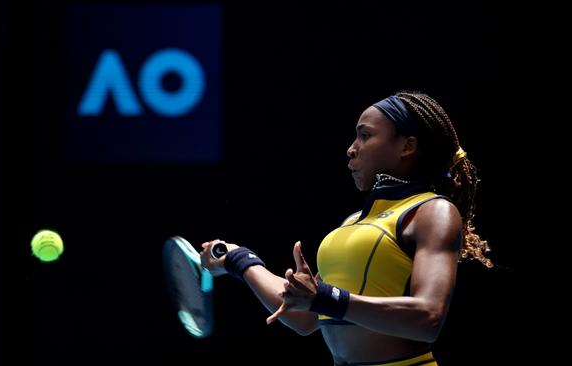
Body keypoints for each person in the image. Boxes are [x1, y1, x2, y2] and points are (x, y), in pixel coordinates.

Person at [199, 91, 493, 366]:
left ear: (407, 145)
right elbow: (305, 318)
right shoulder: (351, 223)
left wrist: (326, 298)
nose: (351, 149)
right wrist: (240, 260)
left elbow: (428, 318)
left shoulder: (432, 210)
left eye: (365, 135)